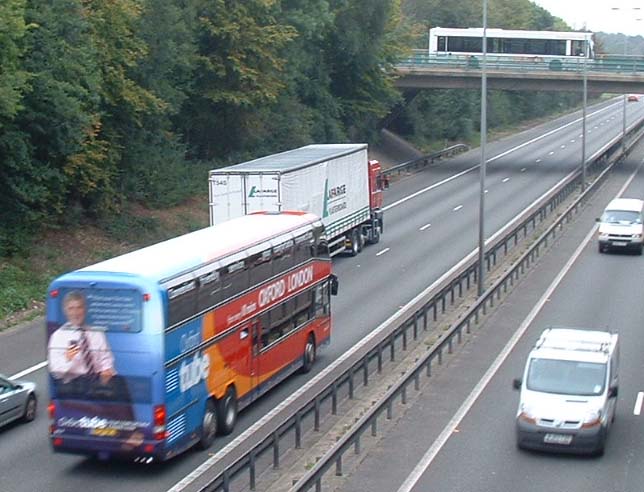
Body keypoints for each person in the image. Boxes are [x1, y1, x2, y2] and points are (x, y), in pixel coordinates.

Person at [48, 291, 116, 387]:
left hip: (99, 384)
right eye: (71, 309)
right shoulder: (59, 336)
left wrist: (105, 375)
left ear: (85, 309)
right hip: (73, 387)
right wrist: (68, 359)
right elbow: (56, 373)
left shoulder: (97, 333)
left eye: (79, 308)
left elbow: (106, 360)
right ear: (65, 311)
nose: (75, 313)